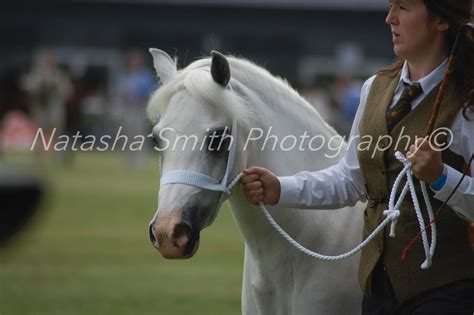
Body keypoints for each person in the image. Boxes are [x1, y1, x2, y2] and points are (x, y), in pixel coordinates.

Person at [240, 1, 474, 314]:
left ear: (441, 21)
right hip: (378, 290)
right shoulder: (374, 89)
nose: (390, 18)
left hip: (450, 291)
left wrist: (441, 177)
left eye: (403, 7)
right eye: (391, 6)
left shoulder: (468, 102)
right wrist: (280, 189)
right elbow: (351, 180)